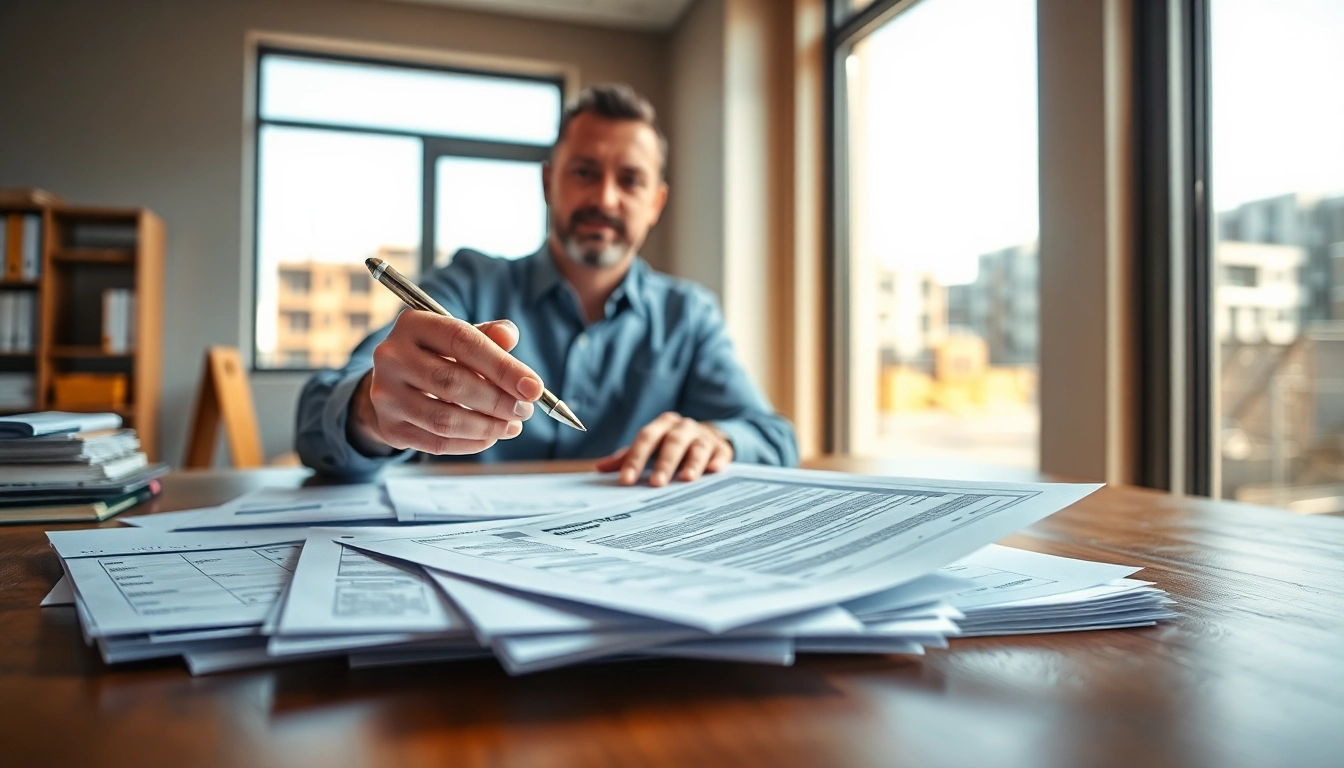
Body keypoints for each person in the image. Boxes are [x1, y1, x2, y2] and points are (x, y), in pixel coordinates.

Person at [296, 83, 797, 485]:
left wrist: (718, 439)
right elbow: (317, 414)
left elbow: (774, 437)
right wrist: (370, 410)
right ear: (547, 183)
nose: (605, 197)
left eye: (630, 180)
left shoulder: (688, 315)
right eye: (584, 172)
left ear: (656, 203)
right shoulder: (469, 283)